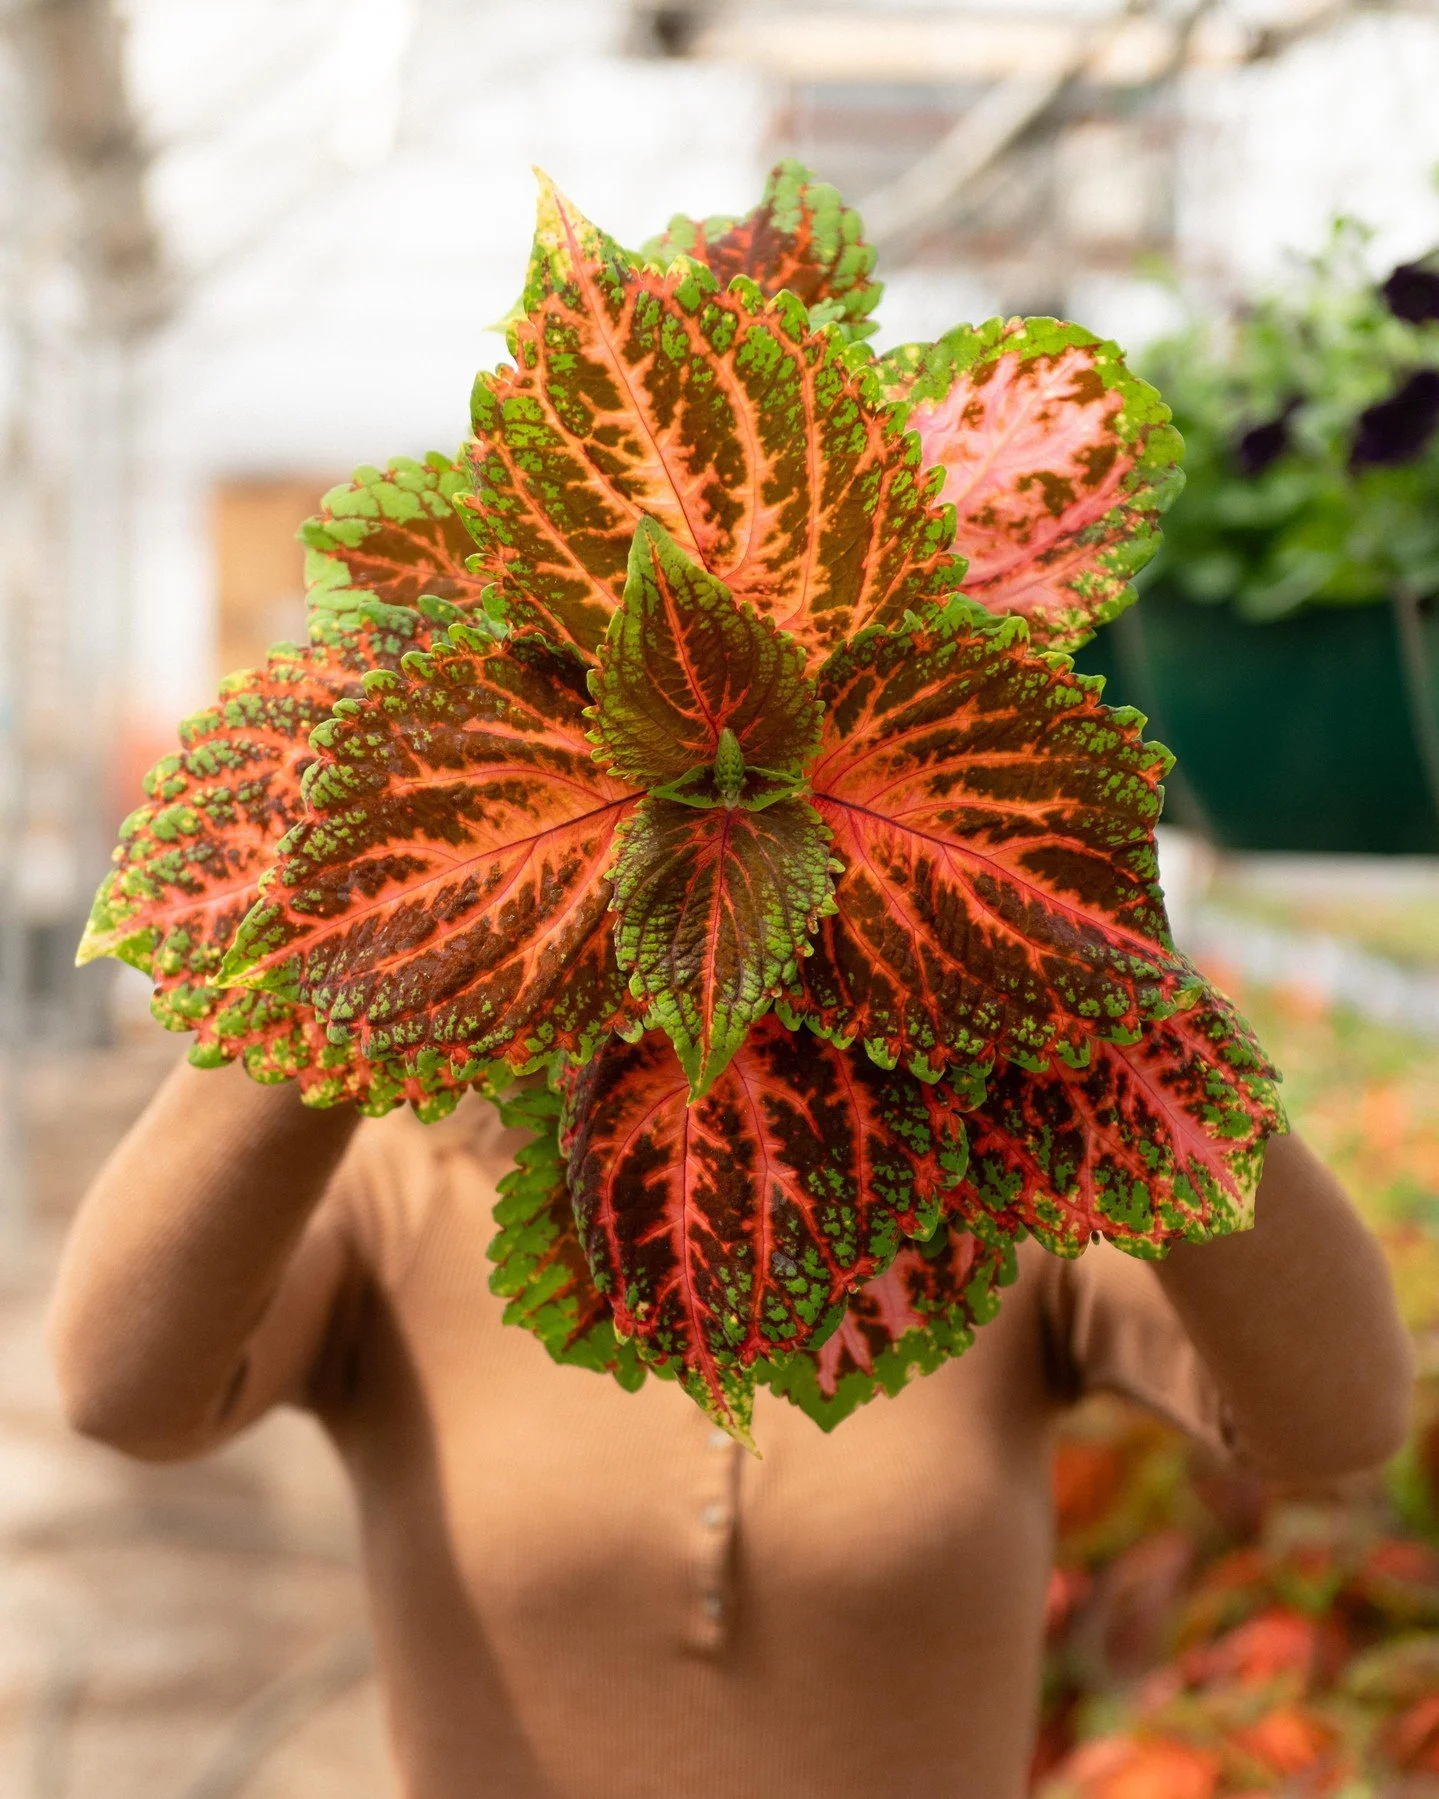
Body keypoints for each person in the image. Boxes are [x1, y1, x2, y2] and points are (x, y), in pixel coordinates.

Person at [48, 1056, 1413, 1799]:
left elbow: (1335, 1414)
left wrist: (1113, 999)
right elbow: (122, 1384)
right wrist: (349, 947)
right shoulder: (407, 1187)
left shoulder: (973, 1179)